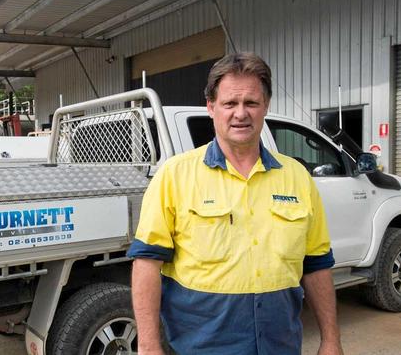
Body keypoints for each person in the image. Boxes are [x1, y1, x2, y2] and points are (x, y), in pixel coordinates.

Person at [127, 52, 343, 355]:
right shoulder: (175, 176)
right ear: (211, 107)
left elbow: (317, 264)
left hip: (279, 346)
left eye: (251, 103)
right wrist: (148, 346)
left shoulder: (297, 177)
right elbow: (147, 263)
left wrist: (331, 340)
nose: (241, 113)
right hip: (200, 347)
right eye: (230, 103)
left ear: (265, 106)